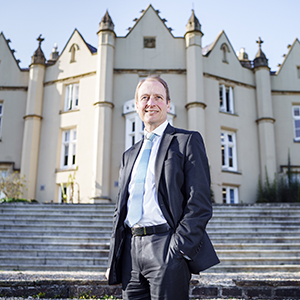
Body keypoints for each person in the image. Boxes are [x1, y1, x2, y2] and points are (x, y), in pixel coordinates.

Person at [106, 76, 219, 300]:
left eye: (158, 97)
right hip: (130, 252)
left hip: (166, 247)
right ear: (137, 104)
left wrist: (178, 249)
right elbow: (120, 210)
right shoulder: (129, 155)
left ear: (168, 104)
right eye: (145, 98)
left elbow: (200, 203)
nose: (151, 103)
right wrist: (114, 259)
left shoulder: (187, 141)